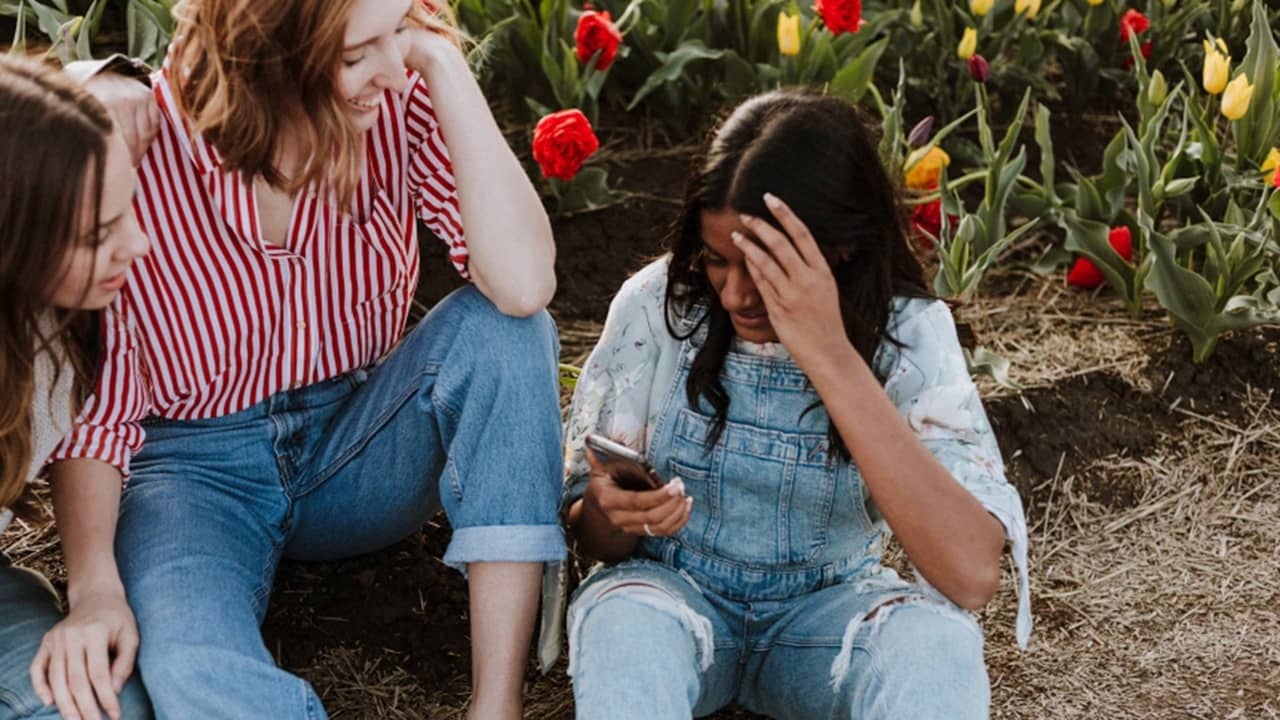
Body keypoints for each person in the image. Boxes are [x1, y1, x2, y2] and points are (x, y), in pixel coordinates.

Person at [57, 0, 565, 717]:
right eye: (358, 54)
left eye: (399, 35)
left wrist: (443, 64)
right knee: (190, 669)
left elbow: (523, 285)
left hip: (355, 442)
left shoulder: (397, 101)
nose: (392, 70)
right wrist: (93, 588)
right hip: (192, 476)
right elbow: (98, 404)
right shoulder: (141, 142)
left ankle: (496, 704)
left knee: (509, 330)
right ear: (267, 56)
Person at [561, 90, 1031, 719]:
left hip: (829, 613)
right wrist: (608, 512)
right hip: (670, 599)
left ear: (840, 245)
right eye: (719, 261)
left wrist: (830, 353)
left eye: (765, 266)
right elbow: (594, 539)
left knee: (937, 642)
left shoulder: (906, 332)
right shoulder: (659, 306)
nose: (734, 294)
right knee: (620, 623)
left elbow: (971, 574)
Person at [0, 55, 152, 720]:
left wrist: (121, 76)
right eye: (98, 235)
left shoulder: (56, 330)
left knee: (100, 707)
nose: (139, 245)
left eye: (129, 211)